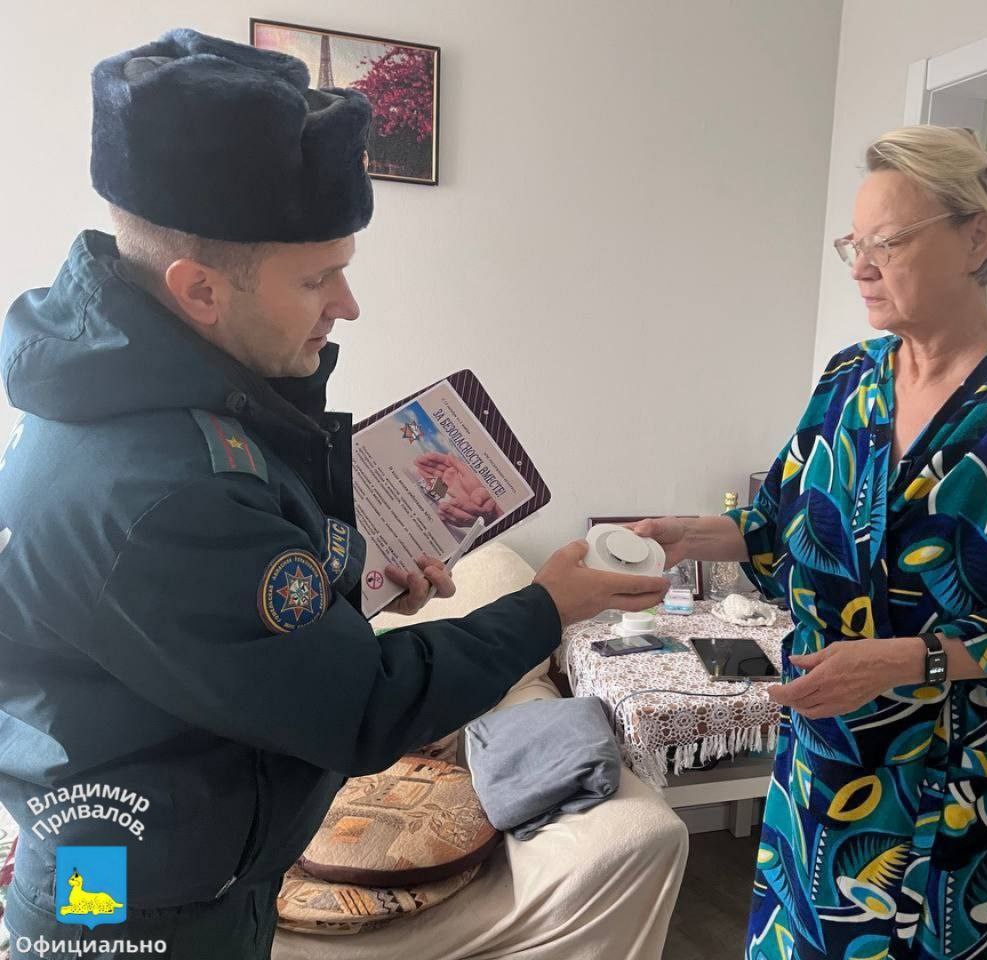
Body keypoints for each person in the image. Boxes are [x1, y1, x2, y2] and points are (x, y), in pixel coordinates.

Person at [0, 29, 669, 959]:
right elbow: (360, 709)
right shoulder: (161, 490)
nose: (346, 304)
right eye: (317, 277)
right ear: (199, 291)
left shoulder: (155, 400)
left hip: (182, 873)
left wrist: (350, 579)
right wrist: (547, 607)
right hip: (135, 911)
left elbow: (223, 635)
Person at [637, 125, 987, 960]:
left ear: (977, 238)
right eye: (853, 245)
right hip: (825, 769)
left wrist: (908, 661)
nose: (861, 267)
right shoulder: (848, 379)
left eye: (887, 243)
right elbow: (776, 526)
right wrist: (684, 536)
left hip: (963, 787)